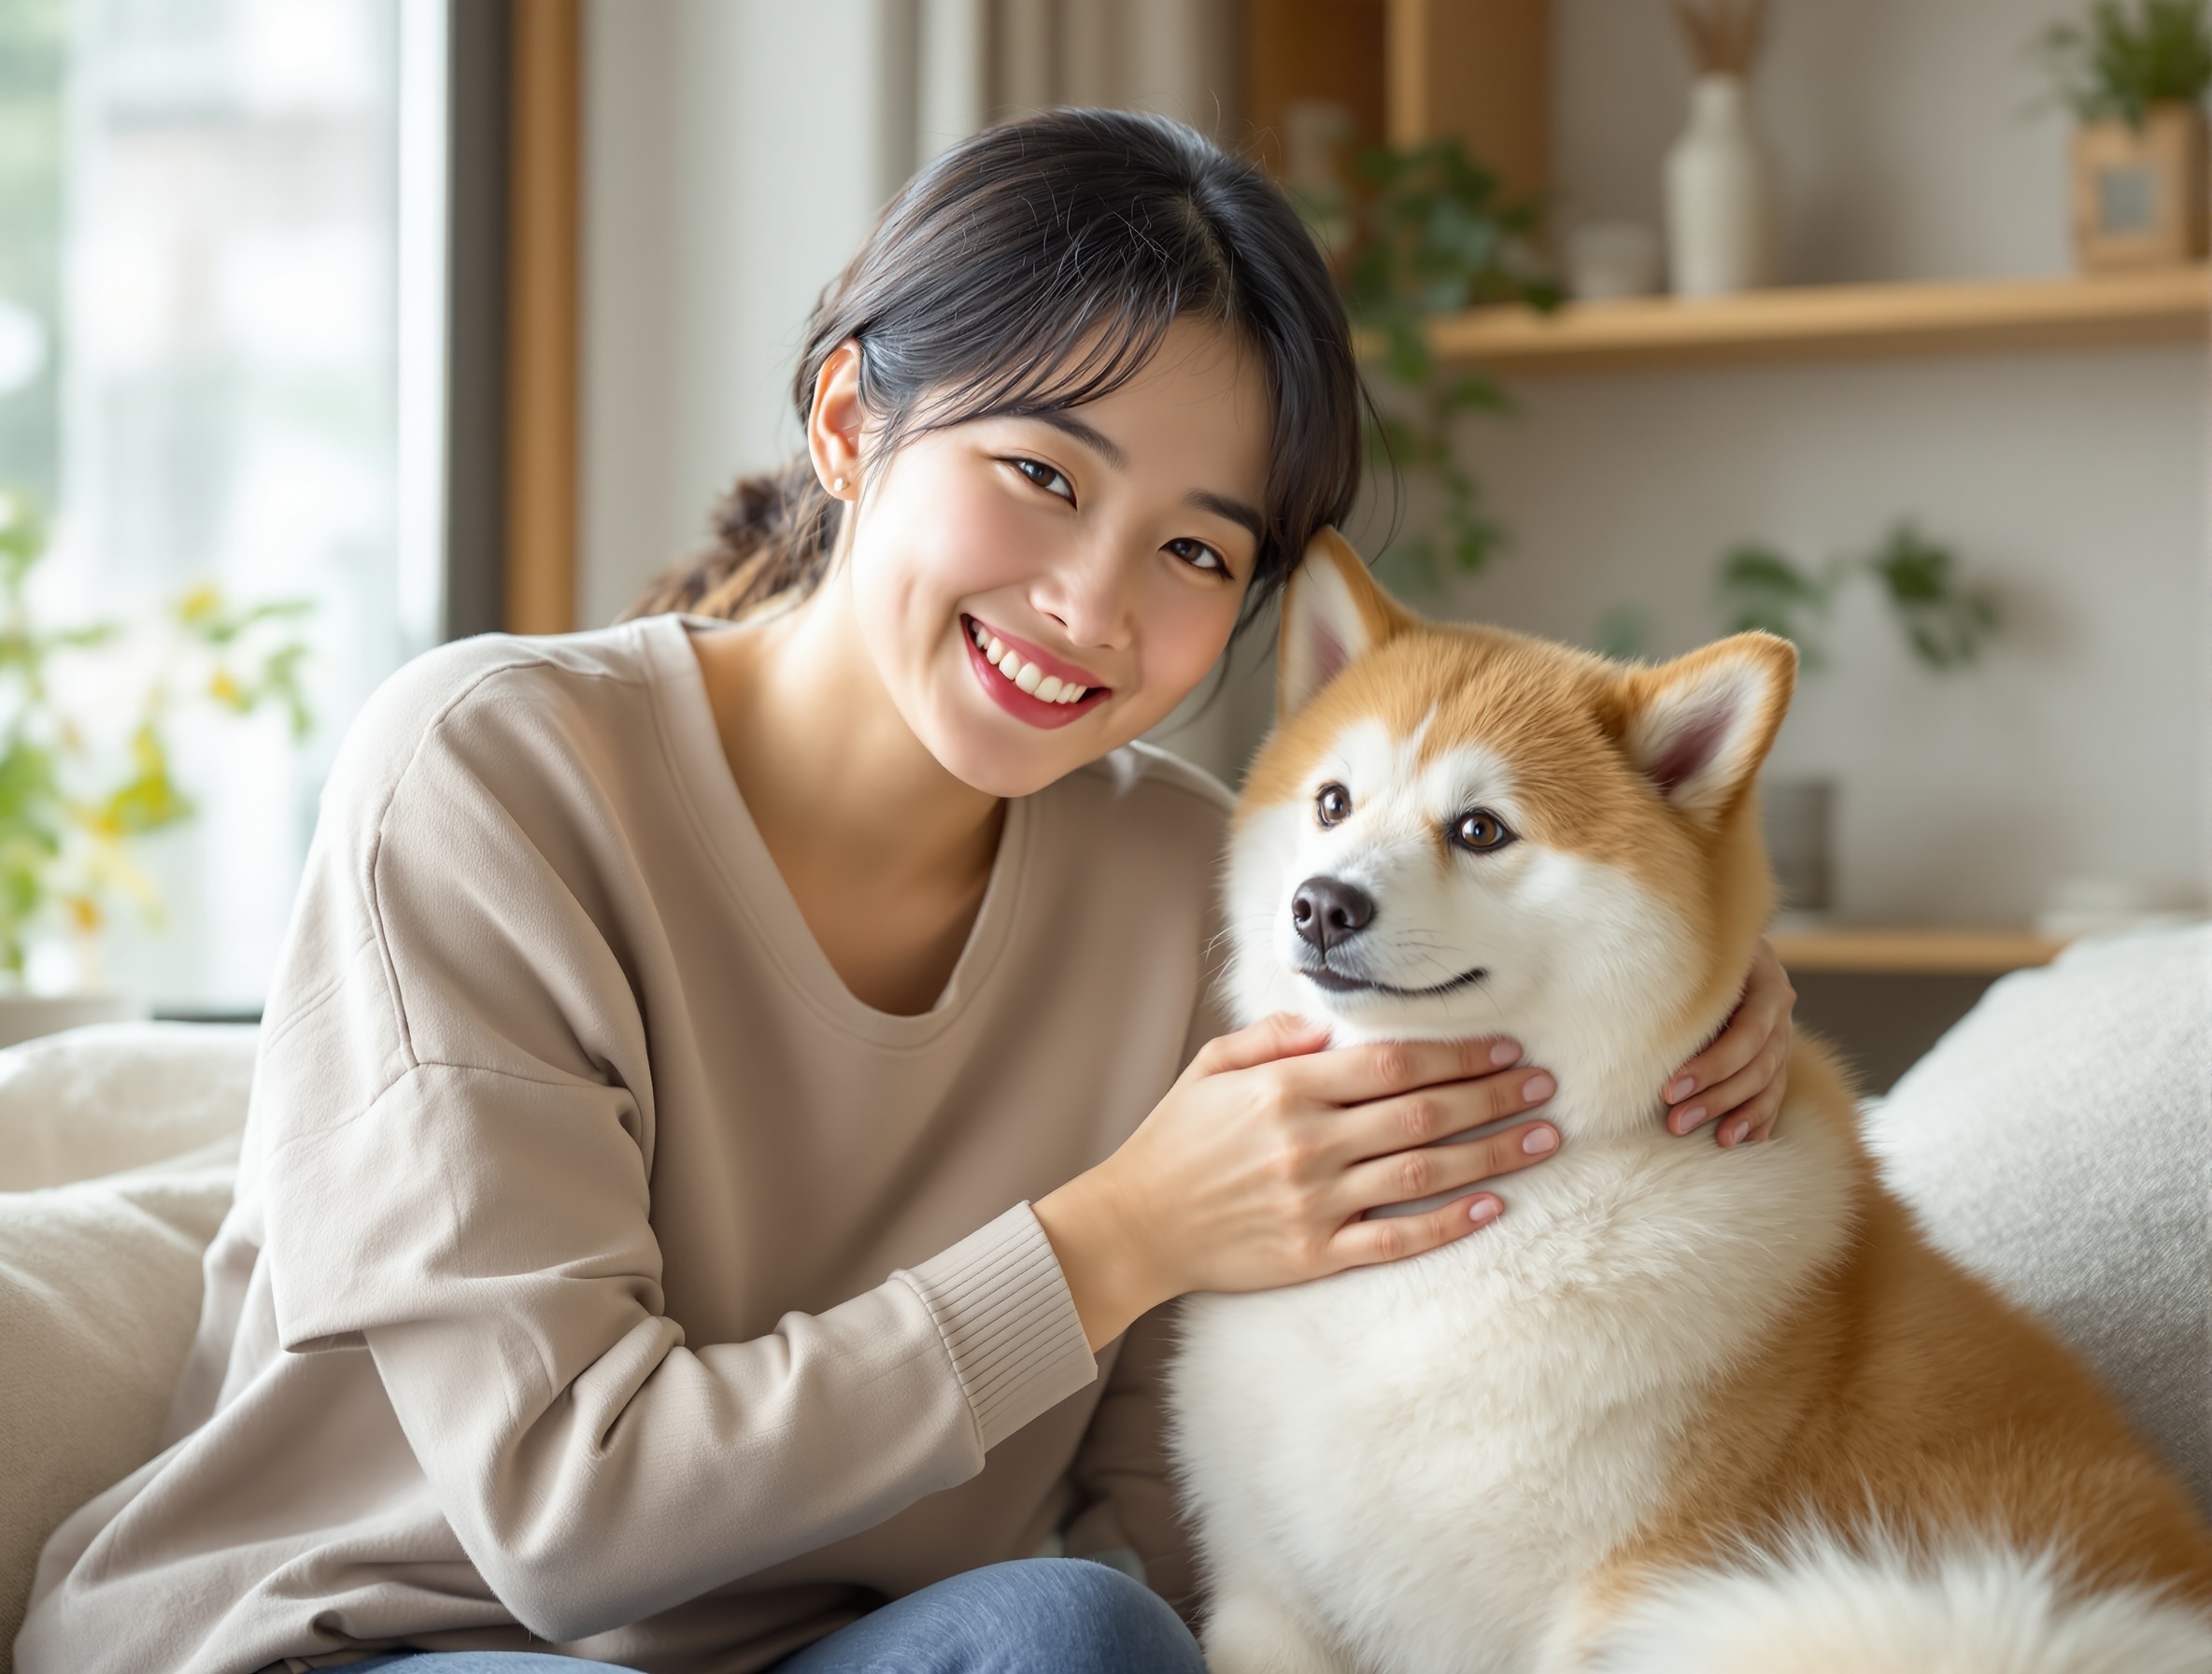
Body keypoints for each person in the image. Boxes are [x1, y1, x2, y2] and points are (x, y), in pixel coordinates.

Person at [15, 110, 1795, 1674]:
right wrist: (1118, 1235)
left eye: (1194, 549)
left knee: (1083, 1637)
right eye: (1042, 475)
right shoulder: (494, 771)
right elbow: (567, 1515)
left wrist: (1693, 1012)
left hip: (844, 1655)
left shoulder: (1198, 887)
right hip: (371, 1629)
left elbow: (1199, 1505)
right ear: (851, 418)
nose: (1094, 605)